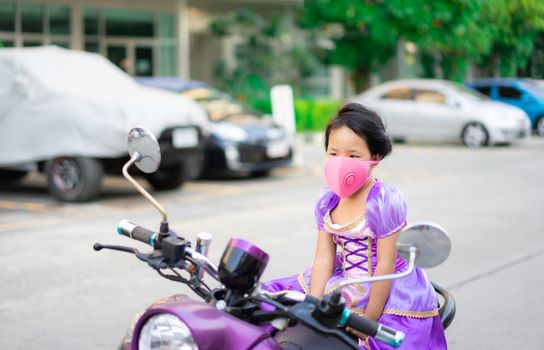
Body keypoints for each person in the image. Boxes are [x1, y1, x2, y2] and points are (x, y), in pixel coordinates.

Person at [263, 103, 447, 349]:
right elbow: (323, 259)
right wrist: (311, 307)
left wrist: (368, 320)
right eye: (333, 152)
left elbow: (385, 265)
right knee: (273, 305)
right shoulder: (328, 200)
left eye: (353, 155)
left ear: (375, 158)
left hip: (389, 286)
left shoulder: (384, 201)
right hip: (347, 279)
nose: (341, 162)